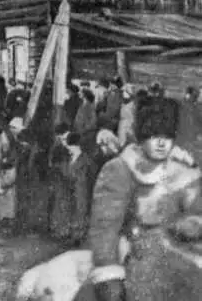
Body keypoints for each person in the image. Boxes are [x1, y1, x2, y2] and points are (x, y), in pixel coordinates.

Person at [76, 97, 202, 301]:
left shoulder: (181, 169)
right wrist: (109, 272)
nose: (161, 143)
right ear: (142, 137)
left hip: (180, 257)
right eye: (153, 136)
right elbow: (105, 226)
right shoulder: (121, 168)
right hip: (136, 259)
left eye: (167, 136)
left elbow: (195, 209)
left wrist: (191, 223)